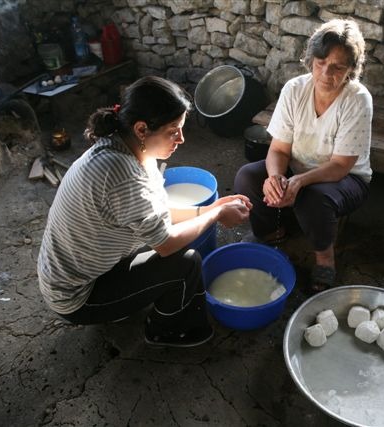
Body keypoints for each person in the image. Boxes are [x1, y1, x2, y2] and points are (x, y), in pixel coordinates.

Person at [37, 76, 251, 347]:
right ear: (141, 129)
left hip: (77, 271)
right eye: (173, 131)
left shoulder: (123, 145)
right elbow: (166, 243)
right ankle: (165, 330)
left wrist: (208, 208)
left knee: (161, 243)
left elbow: (154, 212)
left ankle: (126, 300)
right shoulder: (122, 175)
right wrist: (216, 215)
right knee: (187, 263)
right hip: (77, 296)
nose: (181, 139)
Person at [234, 19, 372, 293]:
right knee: (247, 177)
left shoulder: (357, 99)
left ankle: (325, 259)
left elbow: (341, 165)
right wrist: (275, 177)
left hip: (346, 178)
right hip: (298, 166)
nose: (326, 73)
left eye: (338, 67)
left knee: (312, 197)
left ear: (351, 70)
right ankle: (271, 232)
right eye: (320, 62)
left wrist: (299, 181)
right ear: (310, 60)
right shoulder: (295, 89)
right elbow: (279, 149)